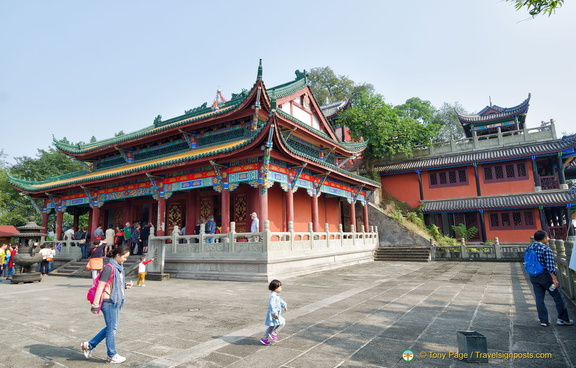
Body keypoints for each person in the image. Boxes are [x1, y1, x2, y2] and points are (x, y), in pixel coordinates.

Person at [81, 245, 132, 364]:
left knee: (110, 327)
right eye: (124, 257)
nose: (125, 260)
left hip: (115, 300)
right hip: (108, 302)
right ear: (118, 255)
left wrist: (124, 286)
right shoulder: (109, 268)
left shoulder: (119, 267)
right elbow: (100, 286)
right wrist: (95, 304)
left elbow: (115, 284)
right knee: (112, 329)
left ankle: (89, 345)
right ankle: (111, 355)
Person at [525, 230, 573, 327]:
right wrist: (554, 279)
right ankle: (563, 319)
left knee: (539, 299)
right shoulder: (545, 249)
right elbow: (550, 266)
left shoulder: (528, 247)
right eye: (546, 237)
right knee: (558, 297)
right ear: (544, 238)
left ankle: (543, 321)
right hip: (546, 276)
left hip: (533, 276)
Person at [260, 279, 288, 346]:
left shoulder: (276, 295)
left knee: (272, 325)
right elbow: (271, 305)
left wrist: (284, 305)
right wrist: (274, 312)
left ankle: (264, 338)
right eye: (280, 287)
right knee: (282, 323)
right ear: (275, 288)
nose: (281, 288)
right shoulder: (273, 296)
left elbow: (280, 301)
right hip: (274, 314)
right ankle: (274, 333)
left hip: (274, 314)